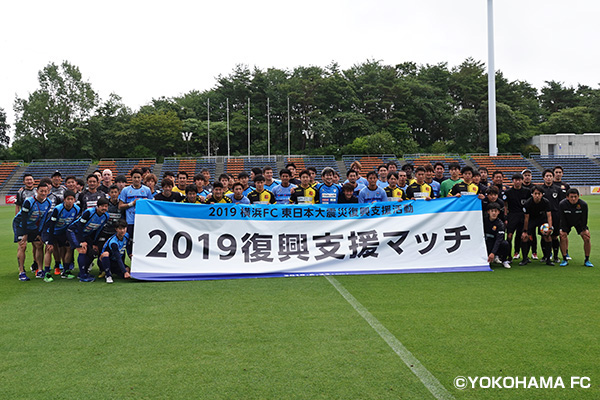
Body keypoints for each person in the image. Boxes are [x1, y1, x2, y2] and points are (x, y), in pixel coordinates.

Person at [13, 181, 52, 281]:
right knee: (23, 245)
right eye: (41, 191)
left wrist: (39, 232)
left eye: (45, 191)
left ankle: (40, 270)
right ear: (37, 191)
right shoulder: (29, 201)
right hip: (21, 224)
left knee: (39, 244)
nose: (43, 193)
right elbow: (24, 218)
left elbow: (43, 219)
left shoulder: (48, 202)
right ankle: (21, 272)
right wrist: (25, 233)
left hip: (34, 226)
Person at [66, 197, 110, 282]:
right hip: (74, 231)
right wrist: (81, 241)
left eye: (106, 206)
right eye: (102, 206)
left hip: (86, 234)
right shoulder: (89, 212)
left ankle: (84, 272)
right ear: (98, 206)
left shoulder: (106, 216)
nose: (104, 208)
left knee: (93, 252)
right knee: (82, 250)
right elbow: (79, 226)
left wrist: (94, 243)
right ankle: (82, 276)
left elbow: (98, 230)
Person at [41, 190, 80, 281]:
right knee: (49, 249)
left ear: (74, 200)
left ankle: (65, 271)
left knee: (69, 248)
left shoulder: (77, 209)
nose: (70, 201)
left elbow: (74, 223)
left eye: (72, 199)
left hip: (63, 231)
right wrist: (50, 241)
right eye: (68, 199)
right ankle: (47, 273)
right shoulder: (58, 209)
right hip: (50, 230)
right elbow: (51, 225)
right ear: (64, 200)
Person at [118, 168, 154, 255]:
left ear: (142, 178)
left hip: (143, 221)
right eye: (134, 177)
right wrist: (132, 204)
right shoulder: (125, 190)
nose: (137, 179)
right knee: (130, 243)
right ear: (131, 178)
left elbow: (151, 205)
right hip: (130, 222)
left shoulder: (147, 190)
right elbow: (120, 206)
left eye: (138, 177)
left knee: (142, 242)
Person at [520, 186, 554, 266]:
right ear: (532, 194)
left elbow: (549, 215)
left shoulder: (546, 202)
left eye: (539, 194)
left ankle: (548, 259)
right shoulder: (528, 203)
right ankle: (525, 259)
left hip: (542, 219)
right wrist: (525, 231)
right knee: (525, 237)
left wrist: (550, 228)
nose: (537, 195)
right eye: (535, 194)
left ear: (542, 194)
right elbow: (526, 218)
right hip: (531, 220)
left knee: (547, 237)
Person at [558, 188, 593, 267]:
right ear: (567, 197)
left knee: (587, 237)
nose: (573, 199)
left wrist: (584, 229)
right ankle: (564, 258)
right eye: (571, 197)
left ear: (578, 197)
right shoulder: (562, 204)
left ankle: (587, 259)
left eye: (575, 197)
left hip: (579, 222)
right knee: (562, 236)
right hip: (567, 222)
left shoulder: (583, 204)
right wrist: (563, 229)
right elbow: (562, 218)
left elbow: (584, 218)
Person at [503, 174, 531, 261]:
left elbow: (529, 204)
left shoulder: (527, 191)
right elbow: (505, 205)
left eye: (519, 180)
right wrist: (505, 217)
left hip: (523, 215)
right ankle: (508, 256)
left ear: (522, 180)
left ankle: (523, 256)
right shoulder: (508, 192)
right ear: (513, 181)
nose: (517, 182)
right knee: (509, 236)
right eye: (516, 180)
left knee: (523, 236)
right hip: (512, 215)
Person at [541, 169, 564, 262]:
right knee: (544, 235)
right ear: (543, 178)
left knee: (554, 236)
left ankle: (555, 256)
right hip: (543, 215)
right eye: (547, 176)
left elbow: (562, 203)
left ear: (552, 177)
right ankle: (545, 256)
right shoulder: (540, 189)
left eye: (550, 176)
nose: (548, 178)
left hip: (555, 215)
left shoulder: (558, 189)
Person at [99, 219, 132, 283]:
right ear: (116, 229)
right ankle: (108, 275)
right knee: (106, 254)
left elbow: (127, 247)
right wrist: (124, 272)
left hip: (115, 263)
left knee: (128, 271)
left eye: (124, 228)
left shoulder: (127, 236)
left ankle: (113, 271)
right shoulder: (113, 242)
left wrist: (130, 254)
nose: (122, 230)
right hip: (106, 261)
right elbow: (118, 257)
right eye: (120, 229)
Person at [484, 202, 511, 269]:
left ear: (498, 212)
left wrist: (493, 253)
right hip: (486, 243)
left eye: (495, 211)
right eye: (492, 211)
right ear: (488, 212)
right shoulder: (483, 220)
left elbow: (498, 240)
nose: (494, 213)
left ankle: (504, 260)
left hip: (495, 244)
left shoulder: (500, 224)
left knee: (505, 244)